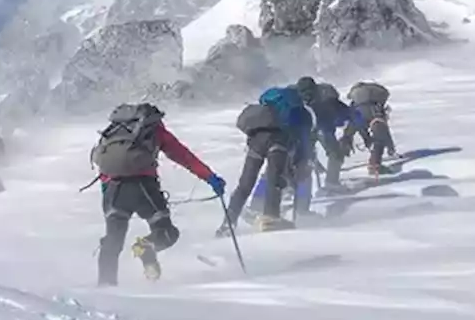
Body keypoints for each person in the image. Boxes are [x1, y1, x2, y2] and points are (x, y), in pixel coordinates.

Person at [89, 102, 226, 286]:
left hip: (113, 191)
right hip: (144, 189)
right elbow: (183, 156)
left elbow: (103, 168)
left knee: (113, 242)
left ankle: (105, 289)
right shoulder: (154, 131)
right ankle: (146, 247)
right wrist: (210, 177)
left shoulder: (112, 132)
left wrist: (108, 196)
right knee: (166, 232)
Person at [217, 85, 311, 235]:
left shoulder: (270, 106)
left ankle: (228, 223)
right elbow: (303, 141)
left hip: (256, 141)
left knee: (245, 184)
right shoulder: (302, 113)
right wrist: (300, 165)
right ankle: (271, 218)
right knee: (275, 180)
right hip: (278, 141)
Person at [295, 76, 373, 192]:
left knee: (300, 159)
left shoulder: (297, 101)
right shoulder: (328, 99)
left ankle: (289, 188)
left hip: (303, 132)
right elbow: (351, 114)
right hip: (324, 130)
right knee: (335, 154)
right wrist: (364, 130)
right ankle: (331, 183)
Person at [346, 81, 398, 175]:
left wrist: (367, 139)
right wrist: (391, 148)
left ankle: (335, 164)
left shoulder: (356, 97)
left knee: (348, 136)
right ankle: (375, 165)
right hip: (374, 113)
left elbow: (359, 125)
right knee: (380, 138)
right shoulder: (377, 98)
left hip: (357, 114)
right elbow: (384, 132)